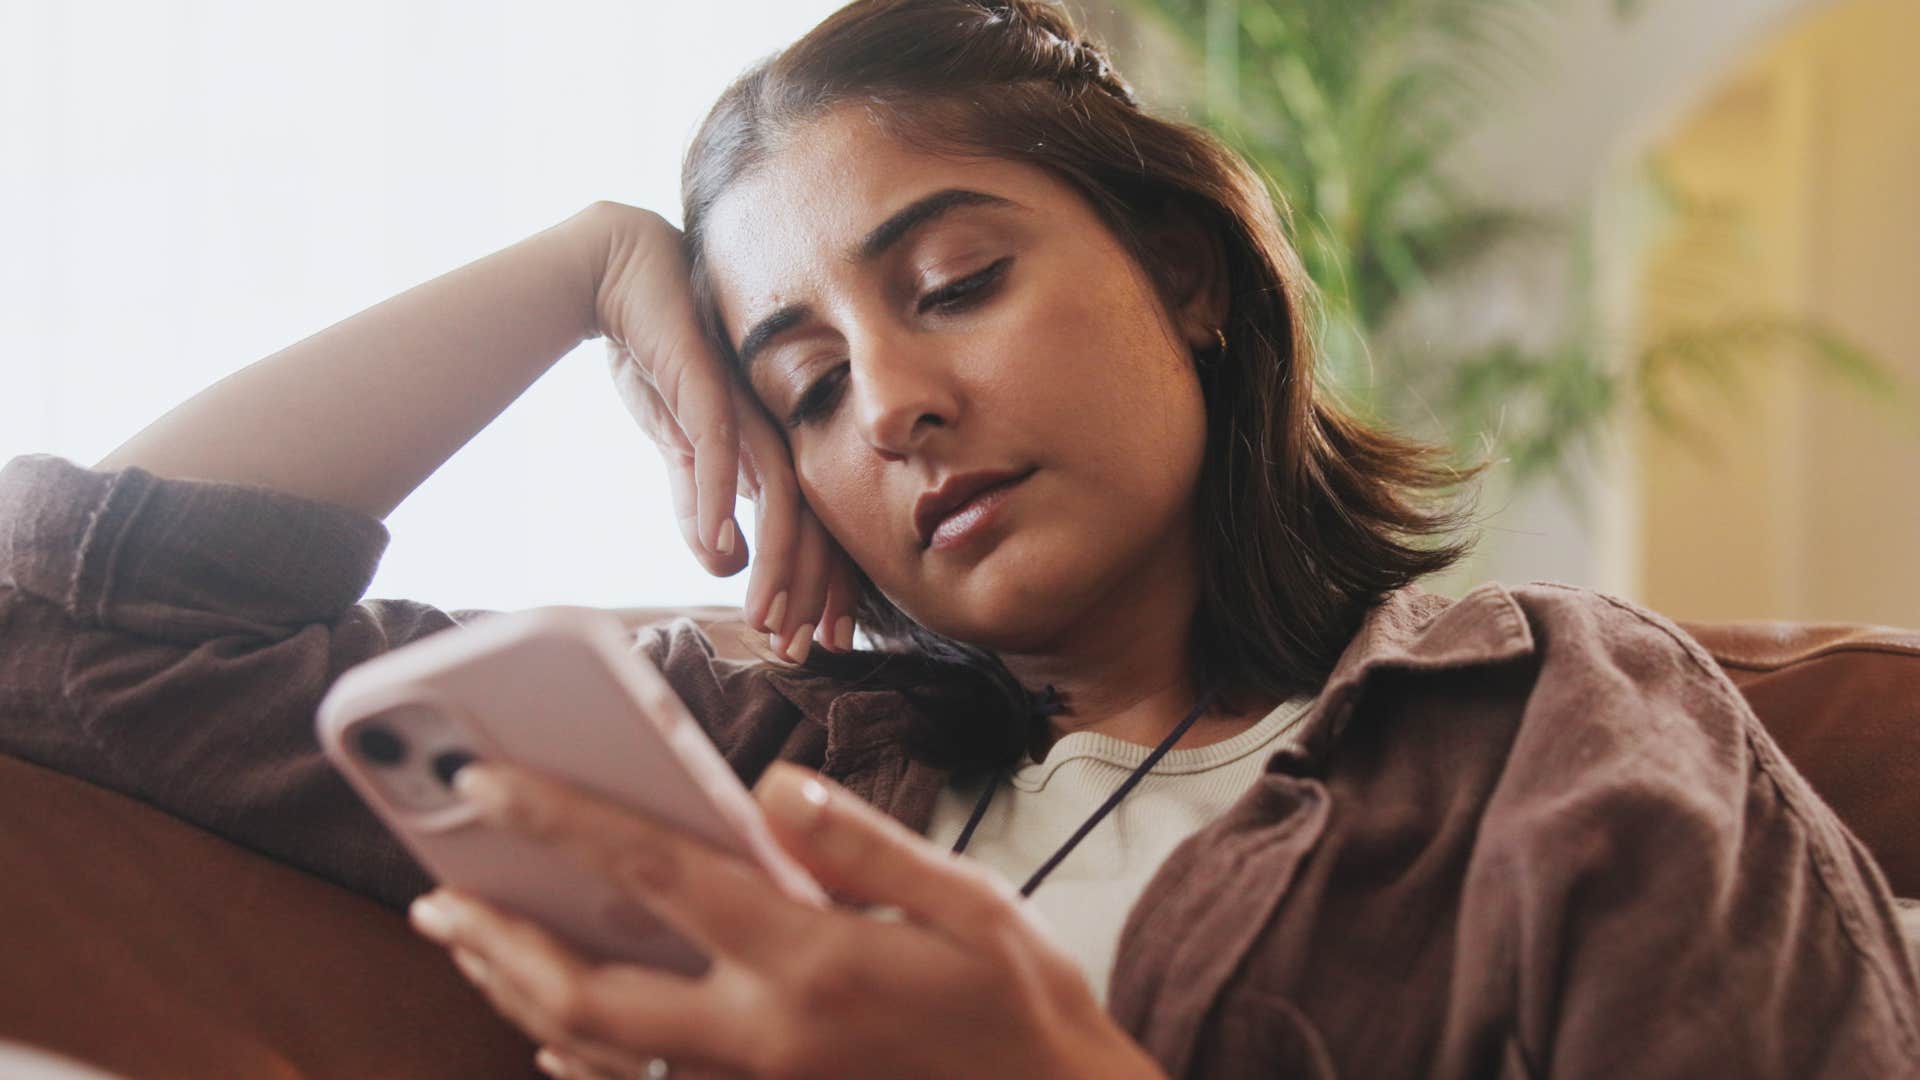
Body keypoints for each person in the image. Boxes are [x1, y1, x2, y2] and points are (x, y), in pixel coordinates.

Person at [0, 0, 1915, 1076]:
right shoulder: (752, 752)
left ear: (1190, 281)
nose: (891, 401)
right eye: (804, 384)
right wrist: (576, 270)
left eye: (957, 280)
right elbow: (74, 637)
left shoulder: (1564, 742)